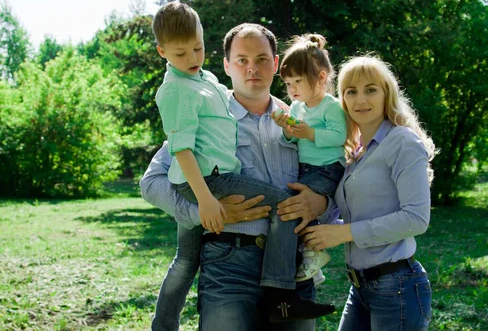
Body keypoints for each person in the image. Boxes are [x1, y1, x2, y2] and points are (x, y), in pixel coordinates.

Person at [140, 22, 339, 331]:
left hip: (293, 269)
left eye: (261, 59)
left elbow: (331, 170)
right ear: (226, 66)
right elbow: (151, 183)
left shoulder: (299, 119)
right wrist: (204, 212)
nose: (252, 69)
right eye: (242, 60)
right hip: (229, 264)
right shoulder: (208, 114)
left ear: (275, 65)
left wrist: (321, 202)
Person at [300, 56, 436, 330]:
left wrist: (344, 233)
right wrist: (325, 224)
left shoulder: (402, 141)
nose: (360, 99)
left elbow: (416, 219)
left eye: (370, 89)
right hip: (360, 288)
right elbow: (363, 215)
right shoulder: (355, 153)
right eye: (351, 91)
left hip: (397, 287)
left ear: (387, 94)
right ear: (343, 100)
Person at [271, 34, 347, 281]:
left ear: (321, 78)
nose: (291, 89)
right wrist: (286, 128)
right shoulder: (296, 107)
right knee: (294, 204)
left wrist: (310, 132)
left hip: (327, 168)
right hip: (306, 167)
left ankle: (315, 250)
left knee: (301, 204)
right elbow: (294, 139)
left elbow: (339, 135)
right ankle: (311, 253)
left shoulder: (331, 106)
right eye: (288, 83)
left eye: (297, 82)